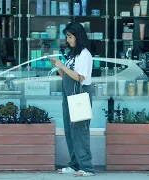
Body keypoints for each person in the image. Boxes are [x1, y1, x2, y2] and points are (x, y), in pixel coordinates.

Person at [50, 22, 94, 177]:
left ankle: (87, 168)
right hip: (69, 96)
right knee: (70, 131)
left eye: (70, 36)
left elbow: (80, 77)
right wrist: (59, 67)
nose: (67, 40)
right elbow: (66, 76)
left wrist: (63, 65)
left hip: (80, 97)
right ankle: (75, 165)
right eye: (67, 37)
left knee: (80, 132)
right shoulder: (73, 55)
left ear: (78, 36)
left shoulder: (84, 55)